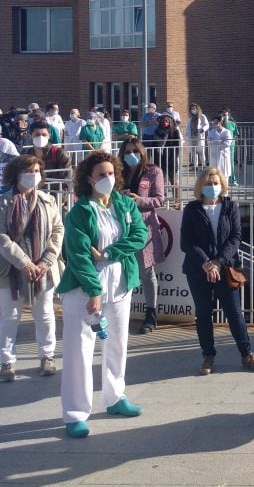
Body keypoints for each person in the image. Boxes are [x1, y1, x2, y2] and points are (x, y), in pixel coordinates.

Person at [57, 150, 149, 438]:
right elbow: (79, 255)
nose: (107, 179)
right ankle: (75, 413)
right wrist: (93, 291)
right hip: (84, 291)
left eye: (111, 173)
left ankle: (115, 398)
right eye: (101, 175)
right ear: (88, 179)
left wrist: (110, 252)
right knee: (79, 352)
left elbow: (139, 236)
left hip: (120, 286)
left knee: (117, 345)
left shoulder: (123, 204)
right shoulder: (80, 212)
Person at [180, 167, 254, 376]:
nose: (212, 187)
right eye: (208, 184)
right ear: (201, 186)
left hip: (225, 268)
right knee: (203, 313)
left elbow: (235, 238)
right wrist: (206, 263)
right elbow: (187, 242)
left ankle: (247, 354)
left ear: (222, 185)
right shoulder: (192, 209)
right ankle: (208, 355)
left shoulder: (229, 206)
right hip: (198, 270)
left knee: (234, 313)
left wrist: (218, 262)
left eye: (215, 183)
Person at [0, 155, 63, 381]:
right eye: (28, 170)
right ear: (16, 174)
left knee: (45, 314)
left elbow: (58, 230)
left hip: (43, 269)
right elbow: (2, 237)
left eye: (36, 170)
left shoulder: (48, 200)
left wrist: (46, 260)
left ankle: (47, 356)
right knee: (9, 316)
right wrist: (24, 262)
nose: (33, 175)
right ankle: (6, 361)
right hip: (10, 269)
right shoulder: (3, 201)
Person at [118, 138, 167, 334]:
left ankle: (151, 313)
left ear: (142, 152)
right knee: (120, 270)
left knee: (147, 273)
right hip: (121, 226)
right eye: (127, 152)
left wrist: (139, 200)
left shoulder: (153, 171)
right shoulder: (118, 171)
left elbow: (160, 199)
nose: (131, 155)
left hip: (143, 227)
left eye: (135, 151)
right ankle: (119, 312)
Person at [22, 120, 72, 187]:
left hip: (55, 194)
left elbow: (67, 178)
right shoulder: (25, 155)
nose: (41, 137)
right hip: (33, 193)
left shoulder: (59, 153)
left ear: (49, 136)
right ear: (30, 136)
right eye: (37, 135)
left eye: (44, 135)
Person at [153, 114, 182, 196]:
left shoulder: (174, 131)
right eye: (163, 121)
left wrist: (174, 157)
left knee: (173, 180)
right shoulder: (157, 132)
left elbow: (177, 146)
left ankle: (176, 200)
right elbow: (154, 145)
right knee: (161, 181)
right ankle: (162, 199)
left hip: (171, 159)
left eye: (167, 121)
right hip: (160, 159)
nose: (165, 122)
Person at [207, 115, 234, 183]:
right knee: (214, 176)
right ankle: (216, 192)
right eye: (214, 123)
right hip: (214, 156)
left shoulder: (227, 132)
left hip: (223, 156)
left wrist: (215, 141)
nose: (215, 124)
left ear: (221, 122)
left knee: (224, 177)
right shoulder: (211, 132)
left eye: (216, 122)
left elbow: (227, 143)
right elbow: (209, 142)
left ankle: (225, 193)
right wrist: (220, 141)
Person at [186, 105, 209, 169]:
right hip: (192, 137)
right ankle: (195, 166)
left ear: (197, 109)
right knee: (193, 151)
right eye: (191, 109)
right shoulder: (190, 118)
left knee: (201, 151)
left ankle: (203, 165)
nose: (192, 110)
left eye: (194, 109)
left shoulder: (202, 116)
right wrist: (187, 134)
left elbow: (207, 124)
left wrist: (203, 129)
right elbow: (188, 127)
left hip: (199, 136)